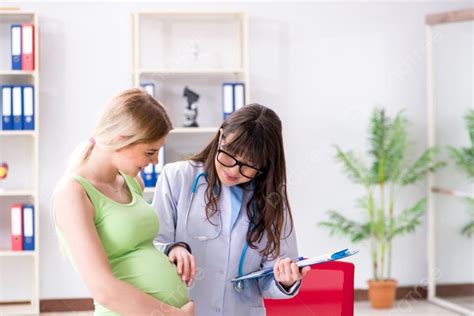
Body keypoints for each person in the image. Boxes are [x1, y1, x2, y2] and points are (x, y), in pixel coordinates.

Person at [152, 104, 310, 315]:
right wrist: (173, 248)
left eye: (249, 164)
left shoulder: (273, 198)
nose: (233, 170)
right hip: (185, 308)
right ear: (221, 137)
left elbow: (270, 276)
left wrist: (285, 281)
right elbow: (153, 242)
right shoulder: (178, 177)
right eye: (230, 154)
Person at [52, 88, 195, 316]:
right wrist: (172, 314)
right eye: (150, 152)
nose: (155, 160)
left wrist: (171, 249)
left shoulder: (132, 182)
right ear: (121, 140)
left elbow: (138, 245)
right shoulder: (74, 193)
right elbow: (103, 289)